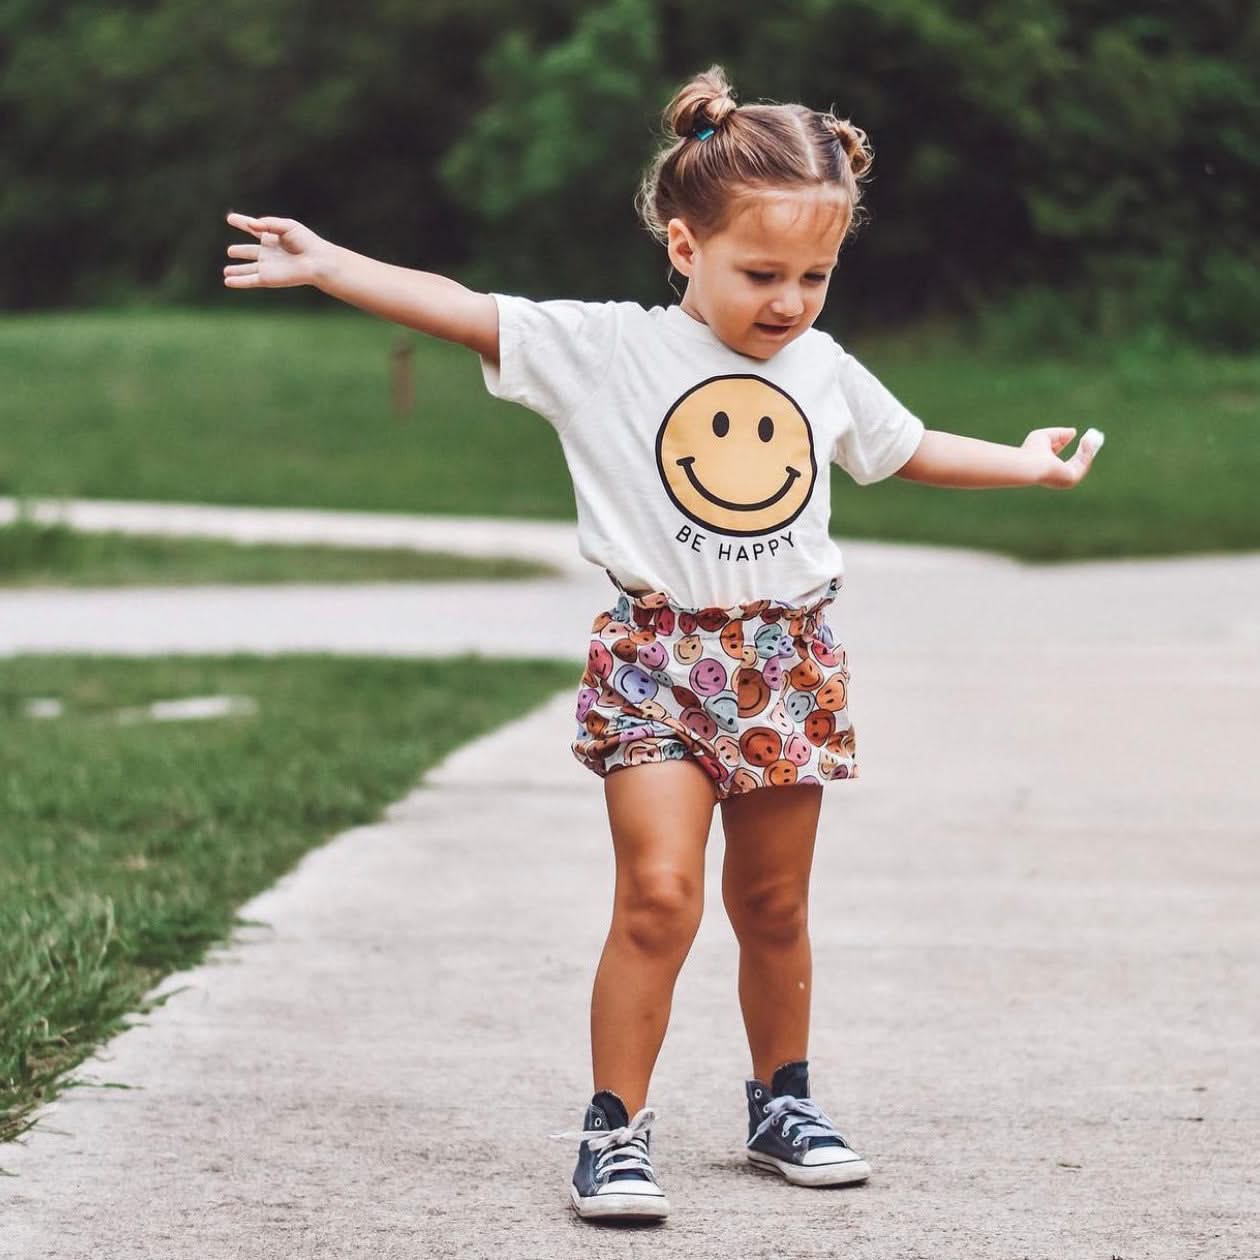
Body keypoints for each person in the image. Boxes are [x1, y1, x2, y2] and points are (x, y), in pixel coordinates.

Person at [223, 63, 1100, 1225]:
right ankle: (614, 1130)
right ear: (685, 249)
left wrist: (1026, 462)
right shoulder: (606, 352)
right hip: (657, 660)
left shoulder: (822, 367)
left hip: (787, 663)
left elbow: (907, 445)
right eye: (762, 273)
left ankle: (783, 1102)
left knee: (775, 904)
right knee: (658, 894)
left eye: (816, 276)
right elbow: (463, 305)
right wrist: (331, 265)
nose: (790, 302)